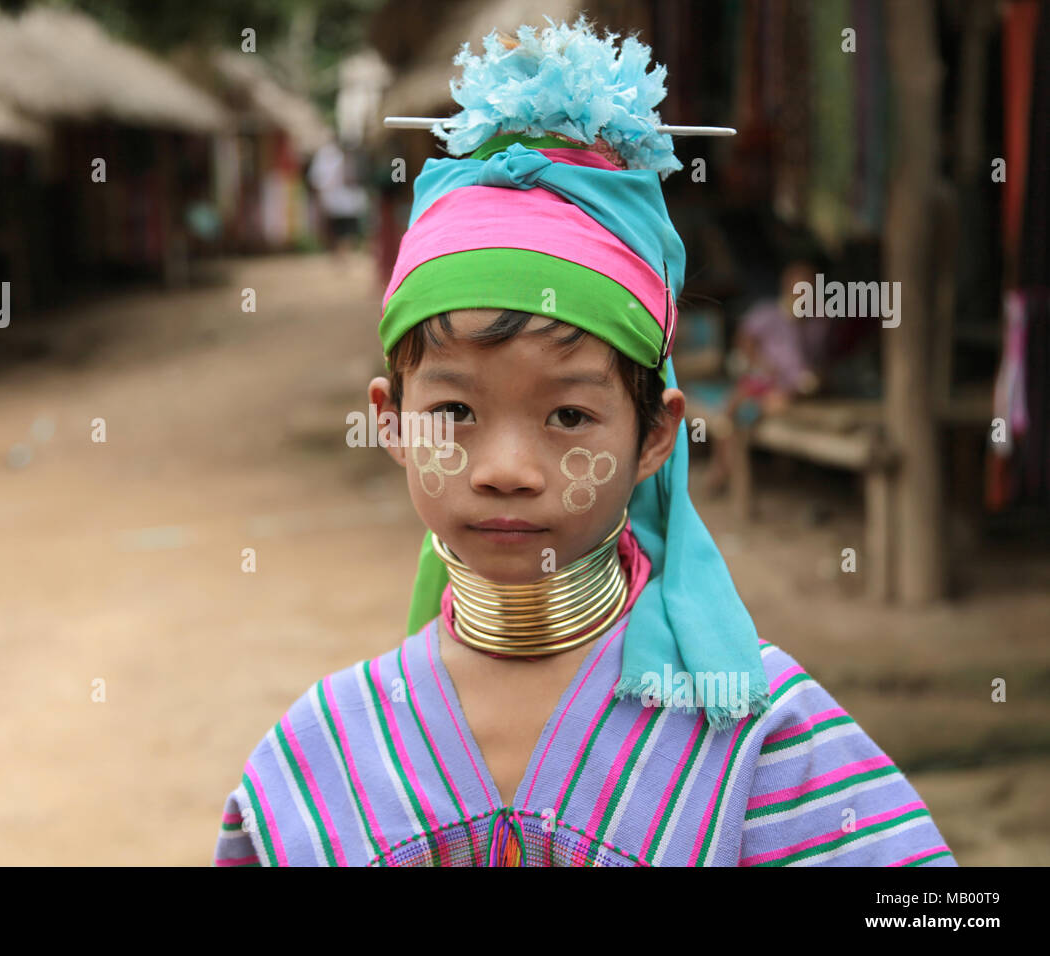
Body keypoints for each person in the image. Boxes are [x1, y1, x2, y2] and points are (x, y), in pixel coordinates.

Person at [214, 16, 955, 867]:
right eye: (455, 413)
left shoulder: (762, 744)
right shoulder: (316, 762)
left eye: (568, 417)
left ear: (654, 435)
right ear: (392, 420)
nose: (507, 471)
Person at [700, 258, 830, 496]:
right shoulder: (768, 313)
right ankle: (721, 467)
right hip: (764, 380)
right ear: (787, 287)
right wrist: (761, 364)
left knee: (767, 402)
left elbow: (819, 361)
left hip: (797, 387)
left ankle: (726, 464)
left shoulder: (819, 322)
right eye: (799, 287)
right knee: (736, 407)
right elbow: (744, 341)